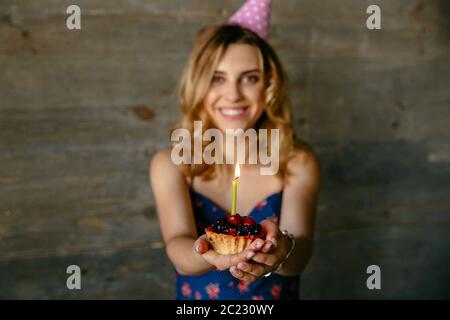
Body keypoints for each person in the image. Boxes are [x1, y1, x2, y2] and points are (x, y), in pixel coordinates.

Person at [150, 0, 320, 300]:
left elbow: (301, 253)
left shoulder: (296, 161)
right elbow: (178, 246)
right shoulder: (172, 163)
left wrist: (282, 251)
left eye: (250, 78)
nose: (233, 94)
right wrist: (207, 255)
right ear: (197, 84)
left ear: (269, 85)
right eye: (218, 78)